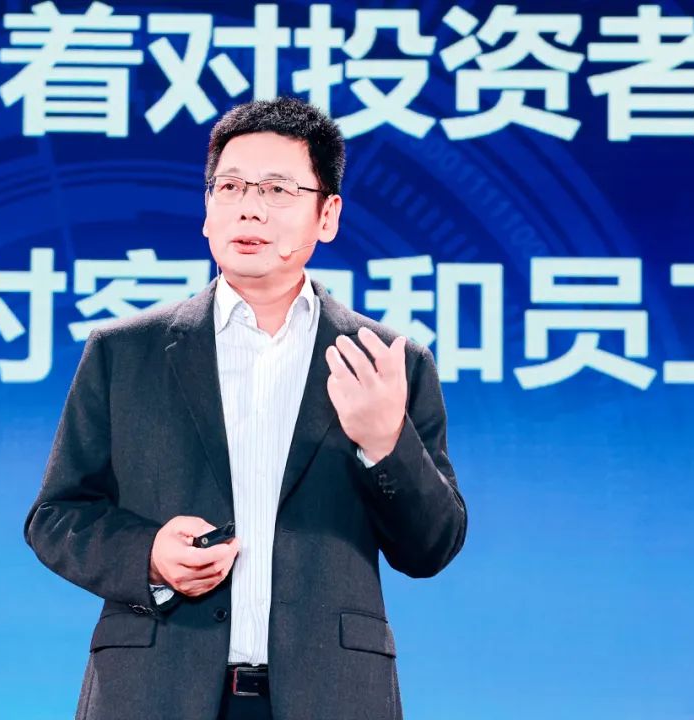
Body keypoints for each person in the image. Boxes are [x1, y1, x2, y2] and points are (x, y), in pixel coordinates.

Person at [24, 97, 467, 720]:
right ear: (207, 210)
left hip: (330, 696)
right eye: (230, 186)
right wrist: (148, 554)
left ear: (328, 215)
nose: (249, 207)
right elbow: (56, 516)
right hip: (153, 692)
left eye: (278, 189)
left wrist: (382, 444)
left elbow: (431, 548)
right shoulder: (124, 353)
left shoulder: (386, 362)